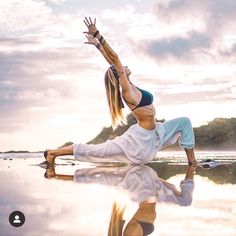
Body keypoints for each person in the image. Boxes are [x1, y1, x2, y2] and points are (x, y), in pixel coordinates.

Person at [44, 17, 198, 167]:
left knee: (184, 122)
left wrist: (97, 45)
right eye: (120, 67)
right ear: (119, 74)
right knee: (95, 150)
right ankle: (53, 153)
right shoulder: (127, 91)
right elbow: (115, 59)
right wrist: (97, 33)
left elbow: (112, 61)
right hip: (139, 142)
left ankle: (192, 161)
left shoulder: (130, 85)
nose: (123, 65)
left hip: (157, 132)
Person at [44, 159, 197, 236]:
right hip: (148, 202)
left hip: (146, 199)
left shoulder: (128, 232)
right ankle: (192, 168)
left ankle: (192, 167)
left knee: (185, 201)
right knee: (185, 201)